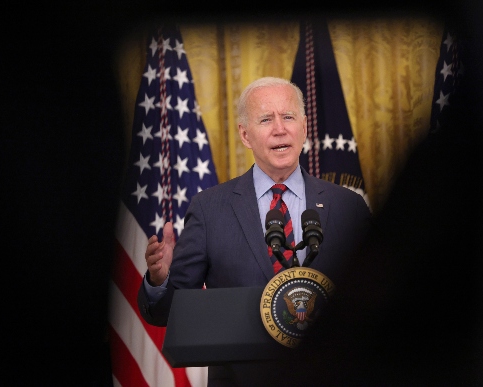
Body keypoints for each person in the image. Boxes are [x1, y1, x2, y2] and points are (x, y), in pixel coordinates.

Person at [137, 76, 374, 385]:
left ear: (304, 126)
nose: (280, 128)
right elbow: (169, 312)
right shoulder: (210, 209)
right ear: (245, 135)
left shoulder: (348, 207)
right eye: (266, 119)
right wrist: (160, 280)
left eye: (288, 117)